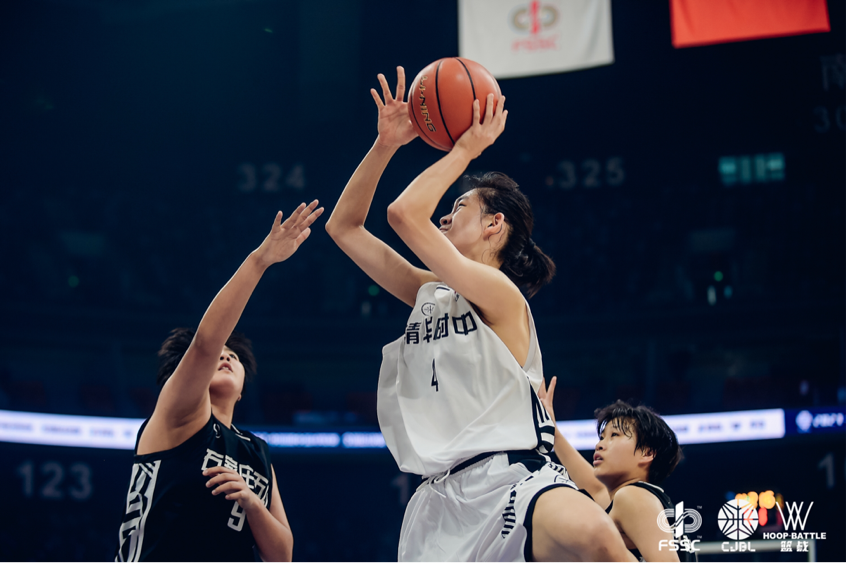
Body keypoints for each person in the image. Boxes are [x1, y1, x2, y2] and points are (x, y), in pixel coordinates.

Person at [325, 67, 633, 563]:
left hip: (513, 477)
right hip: (437, 499)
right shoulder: (429, 291)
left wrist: (466, 149)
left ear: (495, 224)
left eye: (460, 205)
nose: (445, 215)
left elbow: (403, 214)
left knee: (595, 536)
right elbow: (344, 227)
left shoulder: (500, 293)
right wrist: (384, 145)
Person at [115, 202, 323, 563]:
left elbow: (282, 556)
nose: (226, 357)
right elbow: (205, 344)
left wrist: (252, 503)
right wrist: (260, 261)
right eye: (219, 356)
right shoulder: (178, 414)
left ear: (242, 390)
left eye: (235, 357)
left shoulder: (256, 451)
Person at [539, 377, 687, 563]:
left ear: (647, 453)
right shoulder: (635, 497)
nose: (599, 445)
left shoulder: (633, 497)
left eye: (614, 435)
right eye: (602, 437)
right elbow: (595, 488)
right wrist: (554, 433)